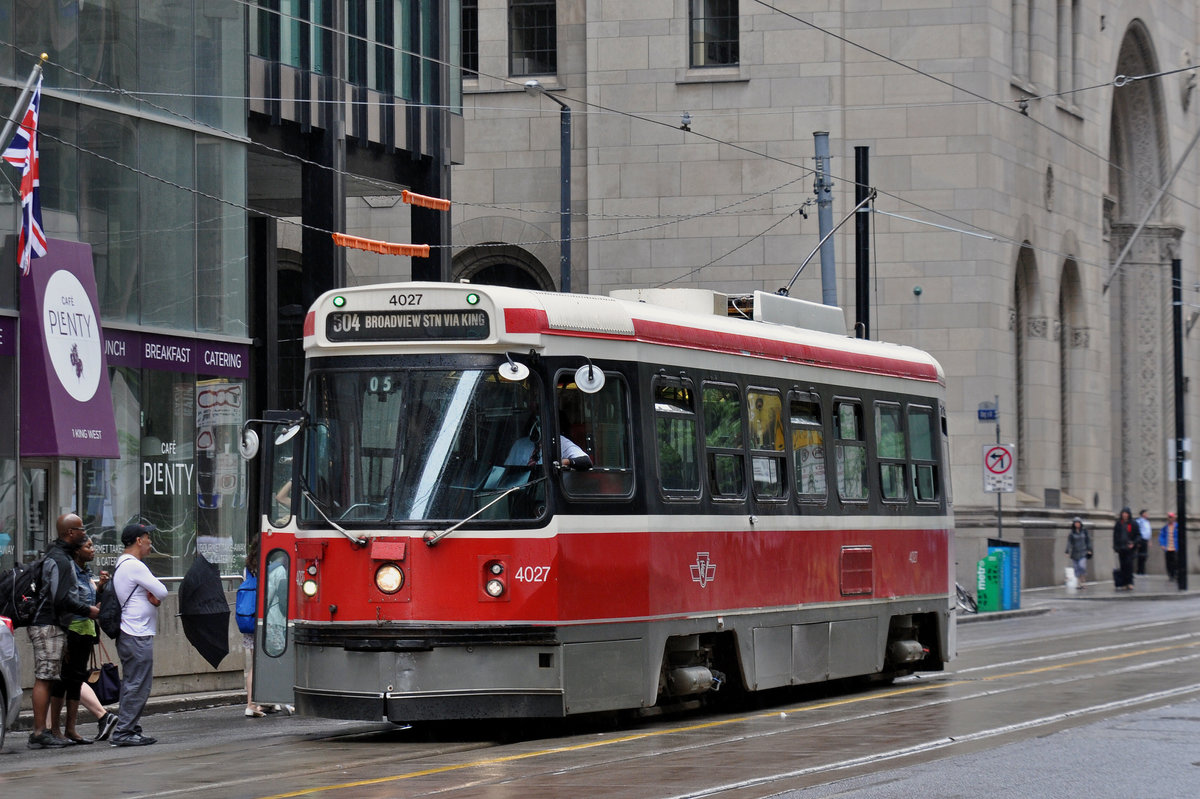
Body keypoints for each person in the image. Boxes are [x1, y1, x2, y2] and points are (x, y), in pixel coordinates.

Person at [26, 513, 100, 750]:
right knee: (45, 677)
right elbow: (60, 598)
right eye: (81, 529)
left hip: (53, 623)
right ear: (70, 533)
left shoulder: (61, 556)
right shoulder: (59, 559)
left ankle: (48, 731)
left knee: (51, 677)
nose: (84, 533)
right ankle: (40, 732)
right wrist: (86, 610)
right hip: (47, 623)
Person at [110, 522, 169, 747]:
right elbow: (162, 591)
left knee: (132, 683)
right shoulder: (134, 565)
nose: (150, 542)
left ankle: (130, 728)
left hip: (131, 632)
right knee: (138, 684)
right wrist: (154, 595)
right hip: (136, 633)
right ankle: (124, 731)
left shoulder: (123, 564)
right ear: (138, 540)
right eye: (148, 538)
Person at [48, 535, 107, 744]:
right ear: (76, 551)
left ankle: (71, 730)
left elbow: (89, 600)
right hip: (71, 630)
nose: (93, 550)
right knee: (62, 680)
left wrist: (99, 589)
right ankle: (55, 730)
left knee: (76, 680)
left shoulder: (85, 572)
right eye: (88, 546)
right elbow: (67, 601)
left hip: (86, 631)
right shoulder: (70, 571)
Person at [243, 536, 265, 718]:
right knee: (265, 663)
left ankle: (258, 702)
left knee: (255, 664)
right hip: (266, 619)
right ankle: (252, 704)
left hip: (250, 620)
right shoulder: (270, 563)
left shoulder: (249, 566)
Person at [1112, 507, 1138, 591]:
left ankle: (1130, 582)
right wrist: (1116, 546)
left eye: (1126, 513)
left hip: (1130, 549)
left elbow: (1138, 536)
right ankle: (1124, 583)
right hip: (1121, 548)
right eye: (1123, 513)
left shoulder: (1133, 524)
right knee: (1123, 566)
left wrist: (1133, 543)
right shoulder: (1119, 524)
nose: (1124, 515)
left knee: (1129, 565)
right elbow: (1115, 536)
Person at [1065, 517, 1091, 590]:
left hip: (1083, 551)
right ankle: (1079, 583)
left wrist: (1089, 549)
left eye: (1078, 523)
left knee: (1082, 566)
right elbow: (1069, 542)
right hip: (1075, 553)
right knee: (1076, 569)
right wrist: (1067, 551)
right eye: (1075, 523)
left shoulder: (1084, 531)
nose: (1077, 524)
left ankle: (1083, 581)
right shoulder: (1072, 533)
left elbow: (1088, 540)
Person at [1160, 511, 1180, 581]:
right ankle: (1170, 575)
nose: (1170, 519)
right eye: (1169, 517)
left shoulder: (1177, 527)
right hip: (1168, 548)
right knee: (1168, 563)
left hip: (1175, 548)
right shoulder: (1165, 528)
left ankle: (1176, 574)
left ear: (1174, 518)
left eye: (1172, 517)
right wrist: (1162, 544)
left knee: (1176, 562)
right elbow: (1162, 536)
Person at [1135, 509, 1152, 575]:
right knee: (1141, 555)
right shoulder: (1139, 521)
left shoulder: (1147, 522)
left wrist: (1149, 540)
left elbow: (1148, 532)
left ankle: (1143, 570)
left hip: (1145, 540)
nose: (1147, 514)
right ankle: (1139, 570)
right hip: (1141, 540)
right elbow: (1138, 531)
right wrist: (1138, 542)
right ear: (1143, 514)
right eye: (1146, 513)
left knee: (1144, 555)